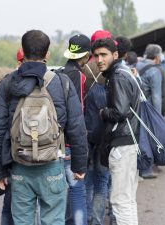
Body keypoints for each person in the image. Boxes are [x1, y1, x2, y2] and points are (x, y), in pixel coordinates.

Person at [0, 30, 88, 225]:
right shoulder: (61, 83)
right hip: (52, 165)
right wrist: (79, 165)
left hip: (19, 166)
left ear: (22, 52)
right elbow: (77, 127)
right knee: (53, 220)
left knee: (22, 220)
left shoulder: (8, 84)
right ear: (47, 54)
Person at [92, 37, 141, 225]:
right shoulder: (126, 72)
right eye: (96, 56)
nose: (99, 60)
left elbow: (120, 111)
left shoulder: (117, 76)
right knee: (128, 200)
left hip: (121, 143)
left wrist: (104, 112)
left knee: (120, 201)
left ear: (115, 54)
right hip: (129, 142)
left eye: (103, 55)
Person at [84, 29, 115, 225]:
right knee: (103, 180)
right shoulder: (113, 69)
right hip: (107, 133)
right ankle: (99, 219)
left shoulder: (84, 68)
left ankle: (85, 218)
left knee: (85, 180)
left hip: (86, 132)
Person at [61, 34, 91, 225]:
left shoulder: (60, 73)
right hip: (71, 143)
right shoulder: (78, 76)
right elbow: (77, 111)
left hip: (58, 141)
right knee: (77, 189)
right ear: (86, 55)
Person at [135, 44, 164, 179]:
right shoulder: (155, 71)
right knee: (146, 138)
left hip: (134, 107)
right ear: (157, 56)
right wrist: (157, 117)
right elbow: (156, 96)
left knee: (138, 137)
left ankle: (138, 168)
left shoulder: (137, 65)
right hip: (147, 109)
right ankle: (146, 170)